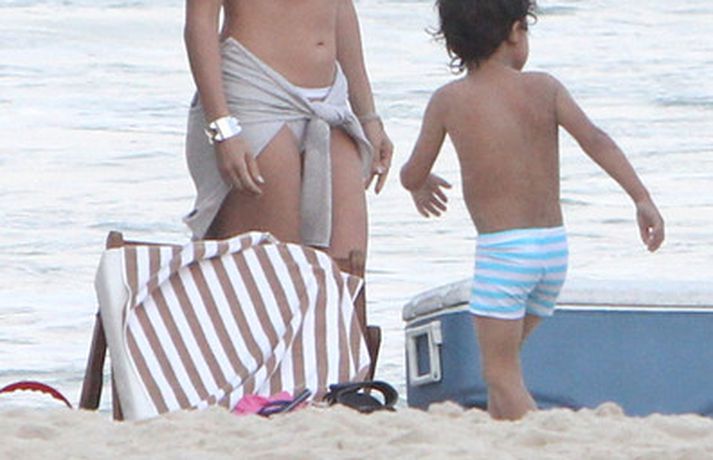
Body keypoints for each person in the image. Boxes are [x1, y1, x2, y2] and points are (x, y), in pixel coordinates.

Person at [400, 0, 665, 420]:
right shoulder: (545, 88)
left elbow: (412, 172)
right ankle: (502, 435)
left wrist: (419, 184)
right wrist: (641, 198)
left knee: (498, 371)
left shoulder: (448, 100)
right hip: (553, 251)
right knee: (504, 366)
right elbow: (596, 140)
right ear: (514, 31)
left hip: (505, 255)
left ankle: (543, 436)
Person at [182, 0, 393, 260]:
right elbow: (201, 22)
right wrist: (222, 127)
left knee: (346, 269)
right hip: (256, 94)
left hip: (330, 102)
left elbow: (341, 7)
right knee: (266, 267)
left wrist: (368, 117)